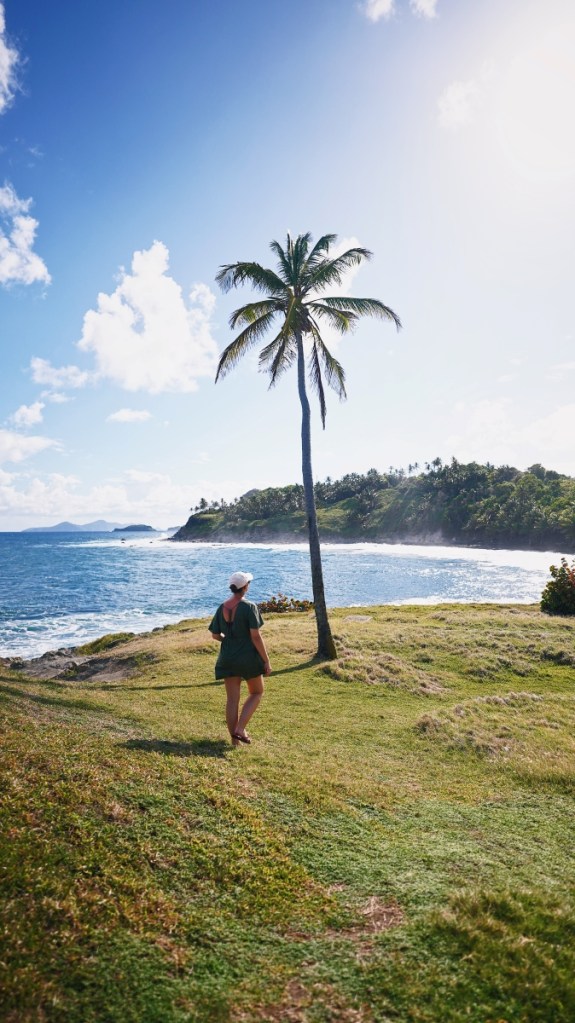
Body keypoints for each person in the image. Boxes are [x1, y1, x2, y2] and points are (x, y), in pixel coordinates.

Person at [209, 571, 271, 746]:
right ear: (245, 587)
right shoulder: (249, 607)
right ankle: (240, 729)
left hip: (227, 657)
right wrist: (266, 660)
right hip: (248, 657)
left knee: (232, 700)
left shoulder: (222, 607)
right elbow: (255, 637)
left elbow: (215, 635)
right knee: (257, 692)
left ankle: (234, 742)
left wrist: (229, 641)